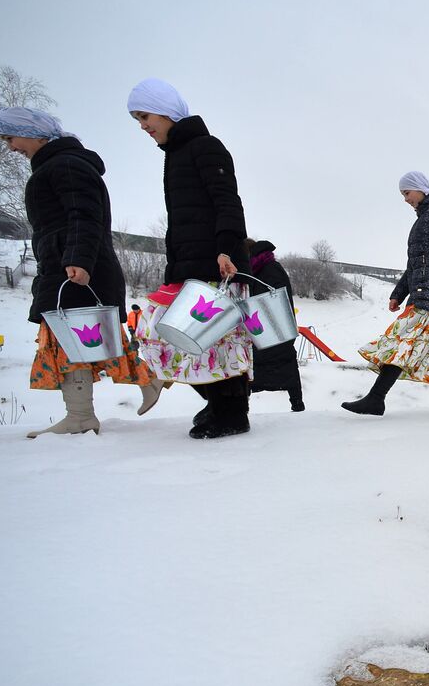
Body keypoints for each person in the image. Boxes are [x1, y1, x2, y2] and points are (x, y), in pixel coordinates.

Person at [0, 107, 161, 439]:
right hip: (66, 265)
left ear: (33, 133)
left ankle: (81, 416)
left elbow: (84, 215)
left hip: (76, 268)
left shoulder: (66, 165)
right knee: (82, 342)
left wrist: (78, 259)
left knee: (71, 342)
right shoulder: (58, 165)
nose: (11, 146)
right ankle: (136, 386)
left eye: (10, 137)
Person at [126, 78, 254, 438]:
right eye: (137, 118)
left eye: (145, 115)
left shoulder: (205, 147)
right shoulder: (178, 155)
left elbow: (227, 200)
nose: (143, 125)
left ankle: (231, 413)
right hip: (189, 263)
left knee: (213, 340)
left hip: (216, 262)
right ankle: (219, 405)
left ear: (166, 111)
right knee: (171, 334)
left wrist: (227, 247)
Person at [343, 171, 429, 416]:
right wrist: (398, 293)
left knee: (402, 342)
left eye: (407, 193)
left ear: (420, 189)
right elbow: (415, 264)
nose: (405, 199)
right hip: (424, 292)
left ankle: (376, 398)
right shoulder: (425, 216)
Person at [243, 238, 304, 411]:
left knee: (274, 364)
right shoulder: (260, 269)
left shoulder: (269, 269)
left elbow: (273, 300)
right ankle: (297, 404)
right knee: (282, 365)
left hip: (274, 330)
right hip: (270, 330)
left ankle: (297, 404)